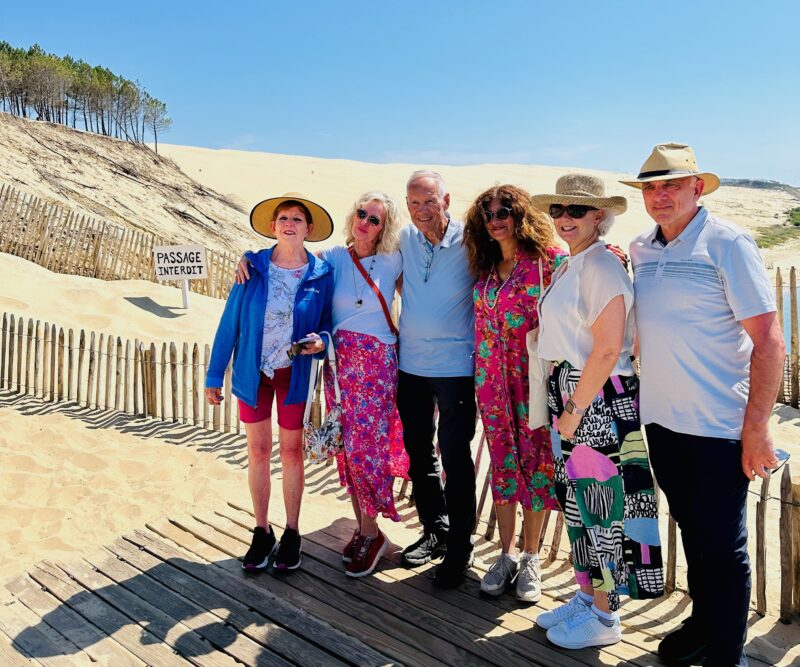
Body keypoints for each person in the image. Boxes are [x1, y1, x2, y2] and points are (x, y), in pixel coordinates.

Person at [623, 144, 785, 667]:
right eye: (650, 186)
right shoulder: (641, 249)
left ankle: (726, 653)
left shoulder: (728, 243)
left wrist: (757, 427)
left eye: (671, 184)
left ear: (697, 187)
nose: (660, 195)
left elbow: (769, 341)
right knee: (695, 532)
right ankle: (703, 627)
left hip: (719, 427)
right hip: (663, 423)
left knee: (723, 545)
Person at [531, 174, 664, 649]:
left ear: (599, 217)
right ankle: (589, 598)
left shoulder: (602, 267)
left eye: (577, 210)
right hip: (573, 389)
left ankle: (606, 619)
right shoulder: (573, 263)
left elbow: (607, 350)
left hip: (595, 396)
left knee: (602, 508)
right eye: (558, 209)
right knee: (578, 505)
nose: (565, 218)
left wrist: (573, 408)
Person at [206, 193, 334, 574]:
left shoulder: (322, 274)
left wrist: (322, 341)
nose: (289, 223)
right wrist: (215, 374)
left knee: (292, 452)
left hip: (293, 375)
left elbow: (328, 322)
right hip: (253, 374)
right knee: (258, 451)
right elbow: (230, 322)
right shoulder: (253, 269)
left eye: (297, 218)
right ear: (273, 226)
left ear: (308, 229)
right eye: (283, 218)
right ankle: (262, 532)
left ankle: (293, 532)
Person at [462, 184, 565, 602]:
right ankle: (504, 554)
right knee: (503, 464)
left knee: (538, 465)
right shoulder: (483, 267)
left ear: (520, 214)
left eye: (504, 210)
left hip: (532, 381)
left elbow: (589, 279)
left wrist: (616, 254)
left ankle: (531, 557)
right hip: (491, 383)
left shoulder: (548, 262)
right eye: (488, 214)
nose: (496, 218)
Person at [318, 191, 408, 578]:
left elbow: (428, 291)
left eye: (375, 219)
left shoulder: (393, 261)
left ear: (385, 228)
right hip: (339, 368)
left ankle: (372, 533)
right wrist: (249, 258)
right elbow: (290, 261)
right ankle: (364, 528)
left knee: (367, 450)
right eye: (362, 214)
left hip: (376, 366)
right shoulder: (334, 258)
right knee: (347, 448)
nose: (365, 223)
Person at [397, 170, 478, 588]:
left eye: (429, 201)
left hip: (455, 369)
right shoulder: (405, 239)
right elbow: (360, 255)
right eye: (413, 203)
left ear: (447, 199)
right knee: (418, 454)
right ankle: (436, 530)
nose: (421, 211)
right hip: (409, 366)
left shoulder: (471, 239)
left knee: (455, 457)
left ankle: (461, 550)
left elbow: (519, 258)